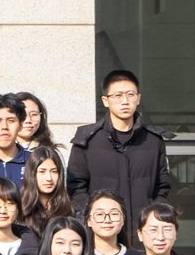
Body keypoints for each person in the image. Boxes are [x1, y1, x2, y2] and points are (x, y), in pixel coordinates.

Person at [67, 69, 174, 218]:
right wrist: (93, 217)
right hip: (103, 230)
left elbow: (162, 187)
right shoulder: (87, 140)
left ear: (138, 98)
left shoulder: (153, 140)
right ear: (105, 100)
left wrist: (152, 218)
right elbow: (76, 187)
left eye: (130, 95)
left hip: (143, 229)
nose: (125, 101)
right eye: (117, 95)